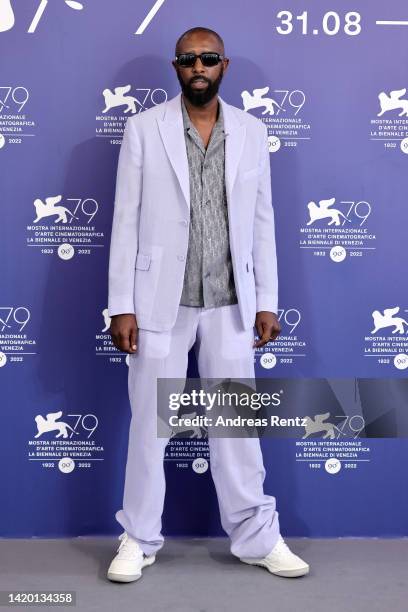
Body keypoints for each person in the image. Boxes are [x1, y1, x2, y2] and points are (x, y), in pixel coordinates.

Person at [106, 26, 310, 582]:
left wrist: (266, 300)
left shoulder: (251, 131)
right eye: (189, 59)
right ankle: (139, 538)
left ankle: (256, 537)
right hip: (157, 303)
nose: (199, 66)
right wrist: (120, 305)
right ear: (176, 67)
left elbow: (262, 224)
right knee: (151, 423)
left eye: (209, 58)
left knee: (235, 423)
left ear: (225, 65)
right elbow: (124, 223)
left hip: (231, 301)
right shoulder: (143, 129)